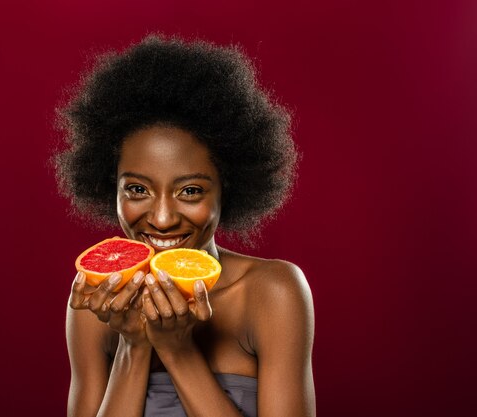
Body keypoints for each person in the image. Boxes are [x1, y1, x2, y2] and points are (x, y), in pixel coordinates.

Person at [55, 35, 315, 417]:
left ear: (228, 188)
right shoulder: (95, 305)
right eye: (138, 189)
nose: (161, 219)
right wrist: (135, 344)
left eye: (190, 190)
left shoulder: (272, 293)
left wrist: (177, 350)